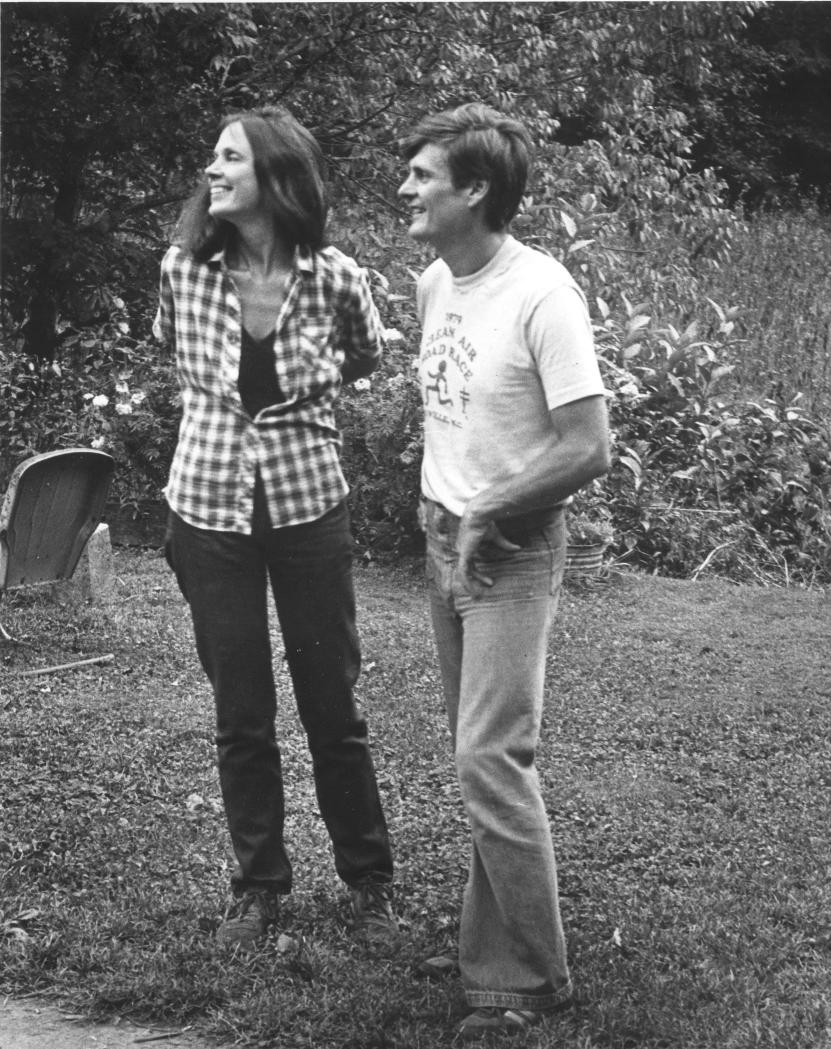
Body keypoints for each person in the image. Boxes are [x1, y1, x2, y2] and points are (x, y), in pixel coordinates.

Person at [154, 105, 397, 950]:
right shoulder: (183, 271)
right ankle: (259, 888)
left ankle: (369, 879)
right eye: (212, 158)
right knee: (242, 711)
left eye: (229, 159)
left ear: (275, 177)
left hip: (306, 510)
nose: (211, 172)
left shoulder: (335, 278)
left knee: (332, 701)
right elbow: (173, 350)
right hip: (207, 510)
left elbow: (365, 353)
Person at [398, 103, 610, 1038]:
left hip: (513, 552)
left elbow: (590, 446)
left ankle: (533, 979)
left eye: (423, 174)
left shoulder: (543, 294)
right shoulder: (436, 283)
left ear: (474, 189)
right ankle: (494, 959)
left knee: (491, 757)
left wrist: (488, 506)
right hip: (445, 540)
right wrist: (437, 499)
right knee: (474, 756)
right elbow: (453, 410)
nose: (406, 185)